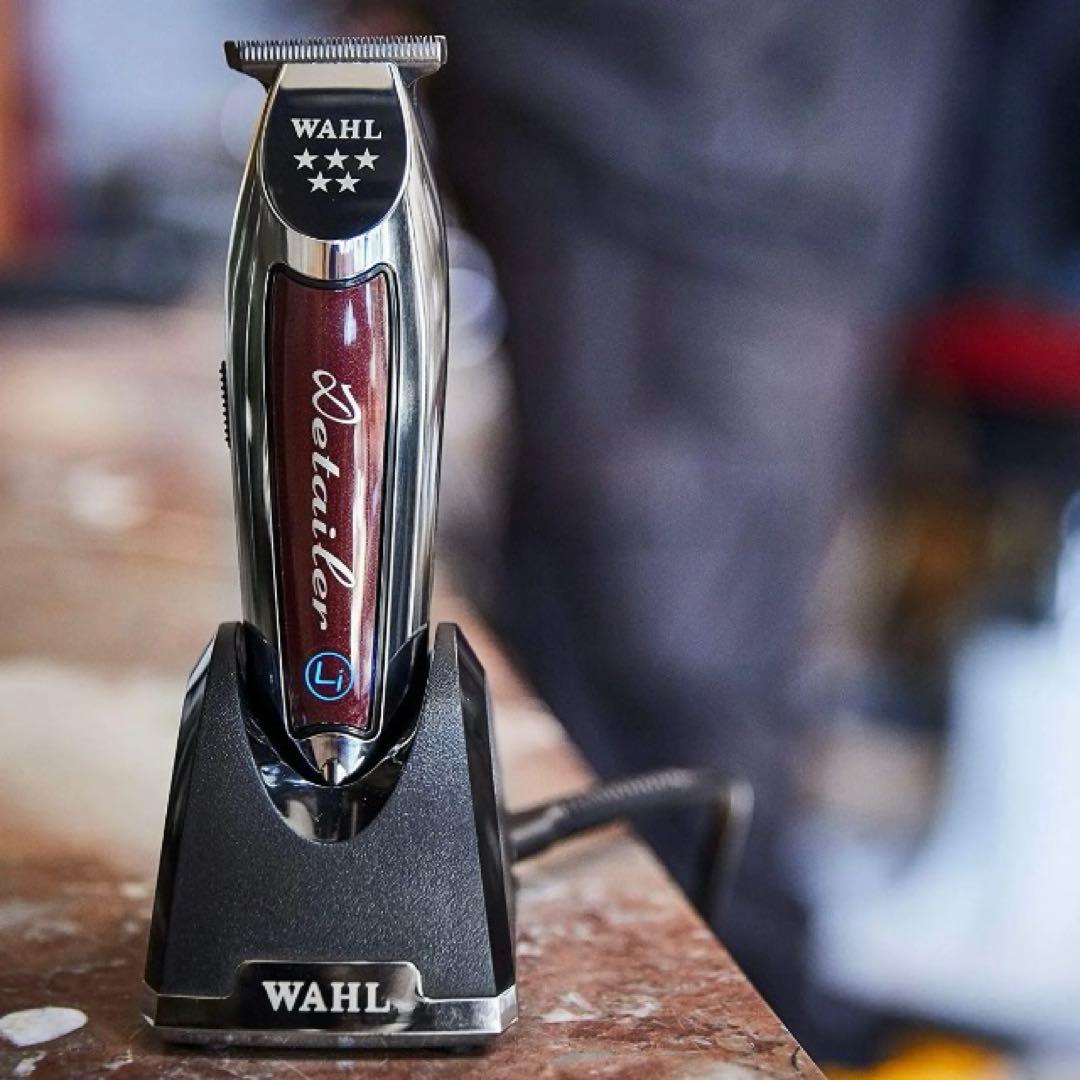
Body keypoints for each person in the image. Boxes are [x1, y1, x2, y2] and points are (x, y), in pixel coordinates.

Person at [406, 0, 969, 1040]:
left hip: (707, 150)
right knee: (592, 663)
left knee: (675, 676)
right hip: (663, 136)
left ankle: (746, 1025)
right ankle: (645, 1012)